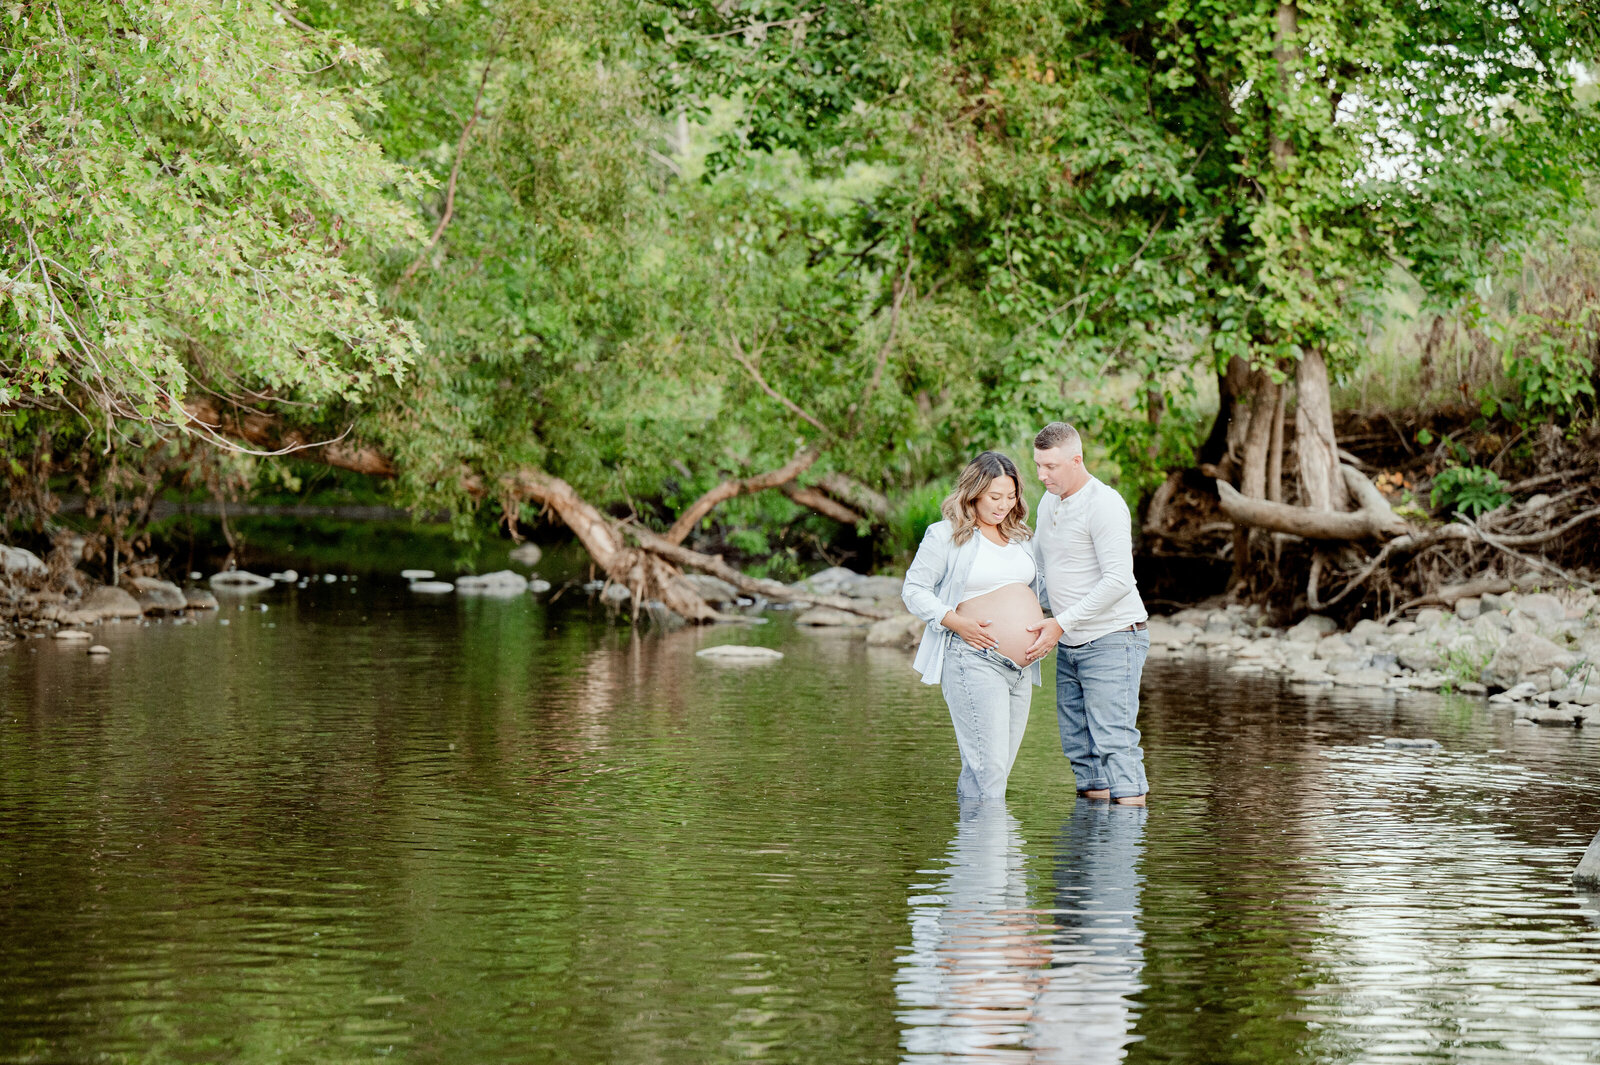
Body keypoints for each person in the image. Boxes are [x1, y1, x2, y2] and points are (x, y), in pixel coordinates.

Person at [902, 451, 1052, 800]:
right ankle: (987, 846)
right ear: (974, 493)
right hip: (974, 659)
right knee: (990, 773)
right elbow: (913, 590)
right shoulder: (945, 535)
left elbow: (1038, 592)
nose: (1004, 505)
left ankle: (980, 851)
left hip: (1021, 669)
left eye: (1011, 496)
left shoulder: (1021, 538)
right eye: (994, 497)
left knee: (991, 772)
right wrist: (957, 623)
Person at [1023, 422, 1151, 806]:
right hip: (1072, 642)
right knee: (1079, 747)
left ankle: (1123, 851)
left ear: (1076, 460)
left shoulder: (1105, 504)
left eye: (1051, 466)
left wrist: (1060, 622)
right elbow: (1038, 569)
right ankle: (1092, 852)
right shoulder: (1049, 503)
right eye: (1038, 466)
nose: (1042, 475)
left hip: (1113, 638)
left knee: (1115, 742)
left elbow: (1119, 581)